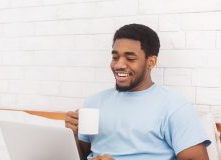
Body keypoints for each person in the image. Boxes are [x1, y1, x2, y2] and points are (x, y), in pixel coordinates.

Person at [65, 24, 211, 160]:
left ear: (151, 62)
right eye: (115, 57)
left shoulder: (175, 107)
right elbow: (82, 154)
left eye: (130, 58)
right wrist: (73, 135)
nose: (119, 65)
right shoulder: (94, 102)